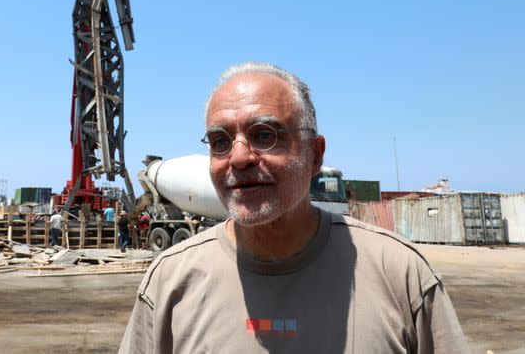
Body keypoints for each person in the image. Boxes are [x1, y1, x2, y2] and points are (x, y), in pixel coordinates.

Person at [119, 62, 469, 353]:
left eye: (264, 134)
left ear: (315, 154)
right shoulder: (169, 283)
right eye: (220, 141)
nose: (238, 157)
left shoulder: (400, 273)